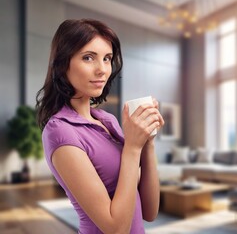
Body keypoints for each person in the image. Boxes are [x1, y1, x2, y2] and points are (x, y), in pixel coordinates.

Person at [36, 18, 164, 234]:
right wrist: (132, 148)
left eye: (107, 59)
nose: (102, 70)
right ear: (62, 63)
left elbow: (149, 212)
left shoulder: (107, 120)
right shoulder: (60, 131)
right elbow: (116, 229)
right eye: (88, 58)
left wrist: (147, 142)